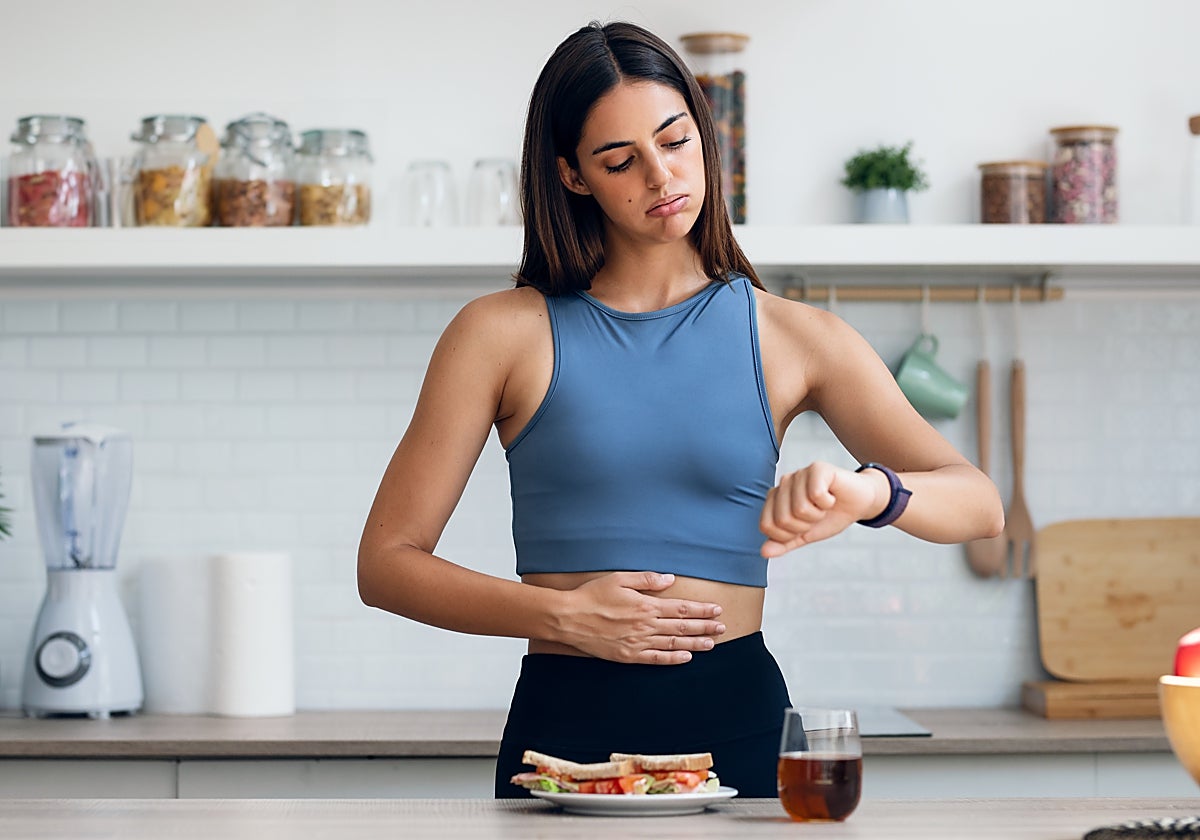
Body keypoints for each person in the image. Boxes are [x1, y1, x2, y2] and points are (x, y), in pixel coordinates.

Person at [358, 20, 1003, 799]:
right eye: (620, 161)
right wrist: (563, 617)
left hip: (740, 724)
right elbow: (387, 563)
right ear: (571, 176)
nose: (661, 177)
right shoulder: (500, 333)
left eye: (676, 141)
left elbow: (979, 504)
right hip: (564, 735)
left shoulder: (794, 337)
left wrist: (869, 491)